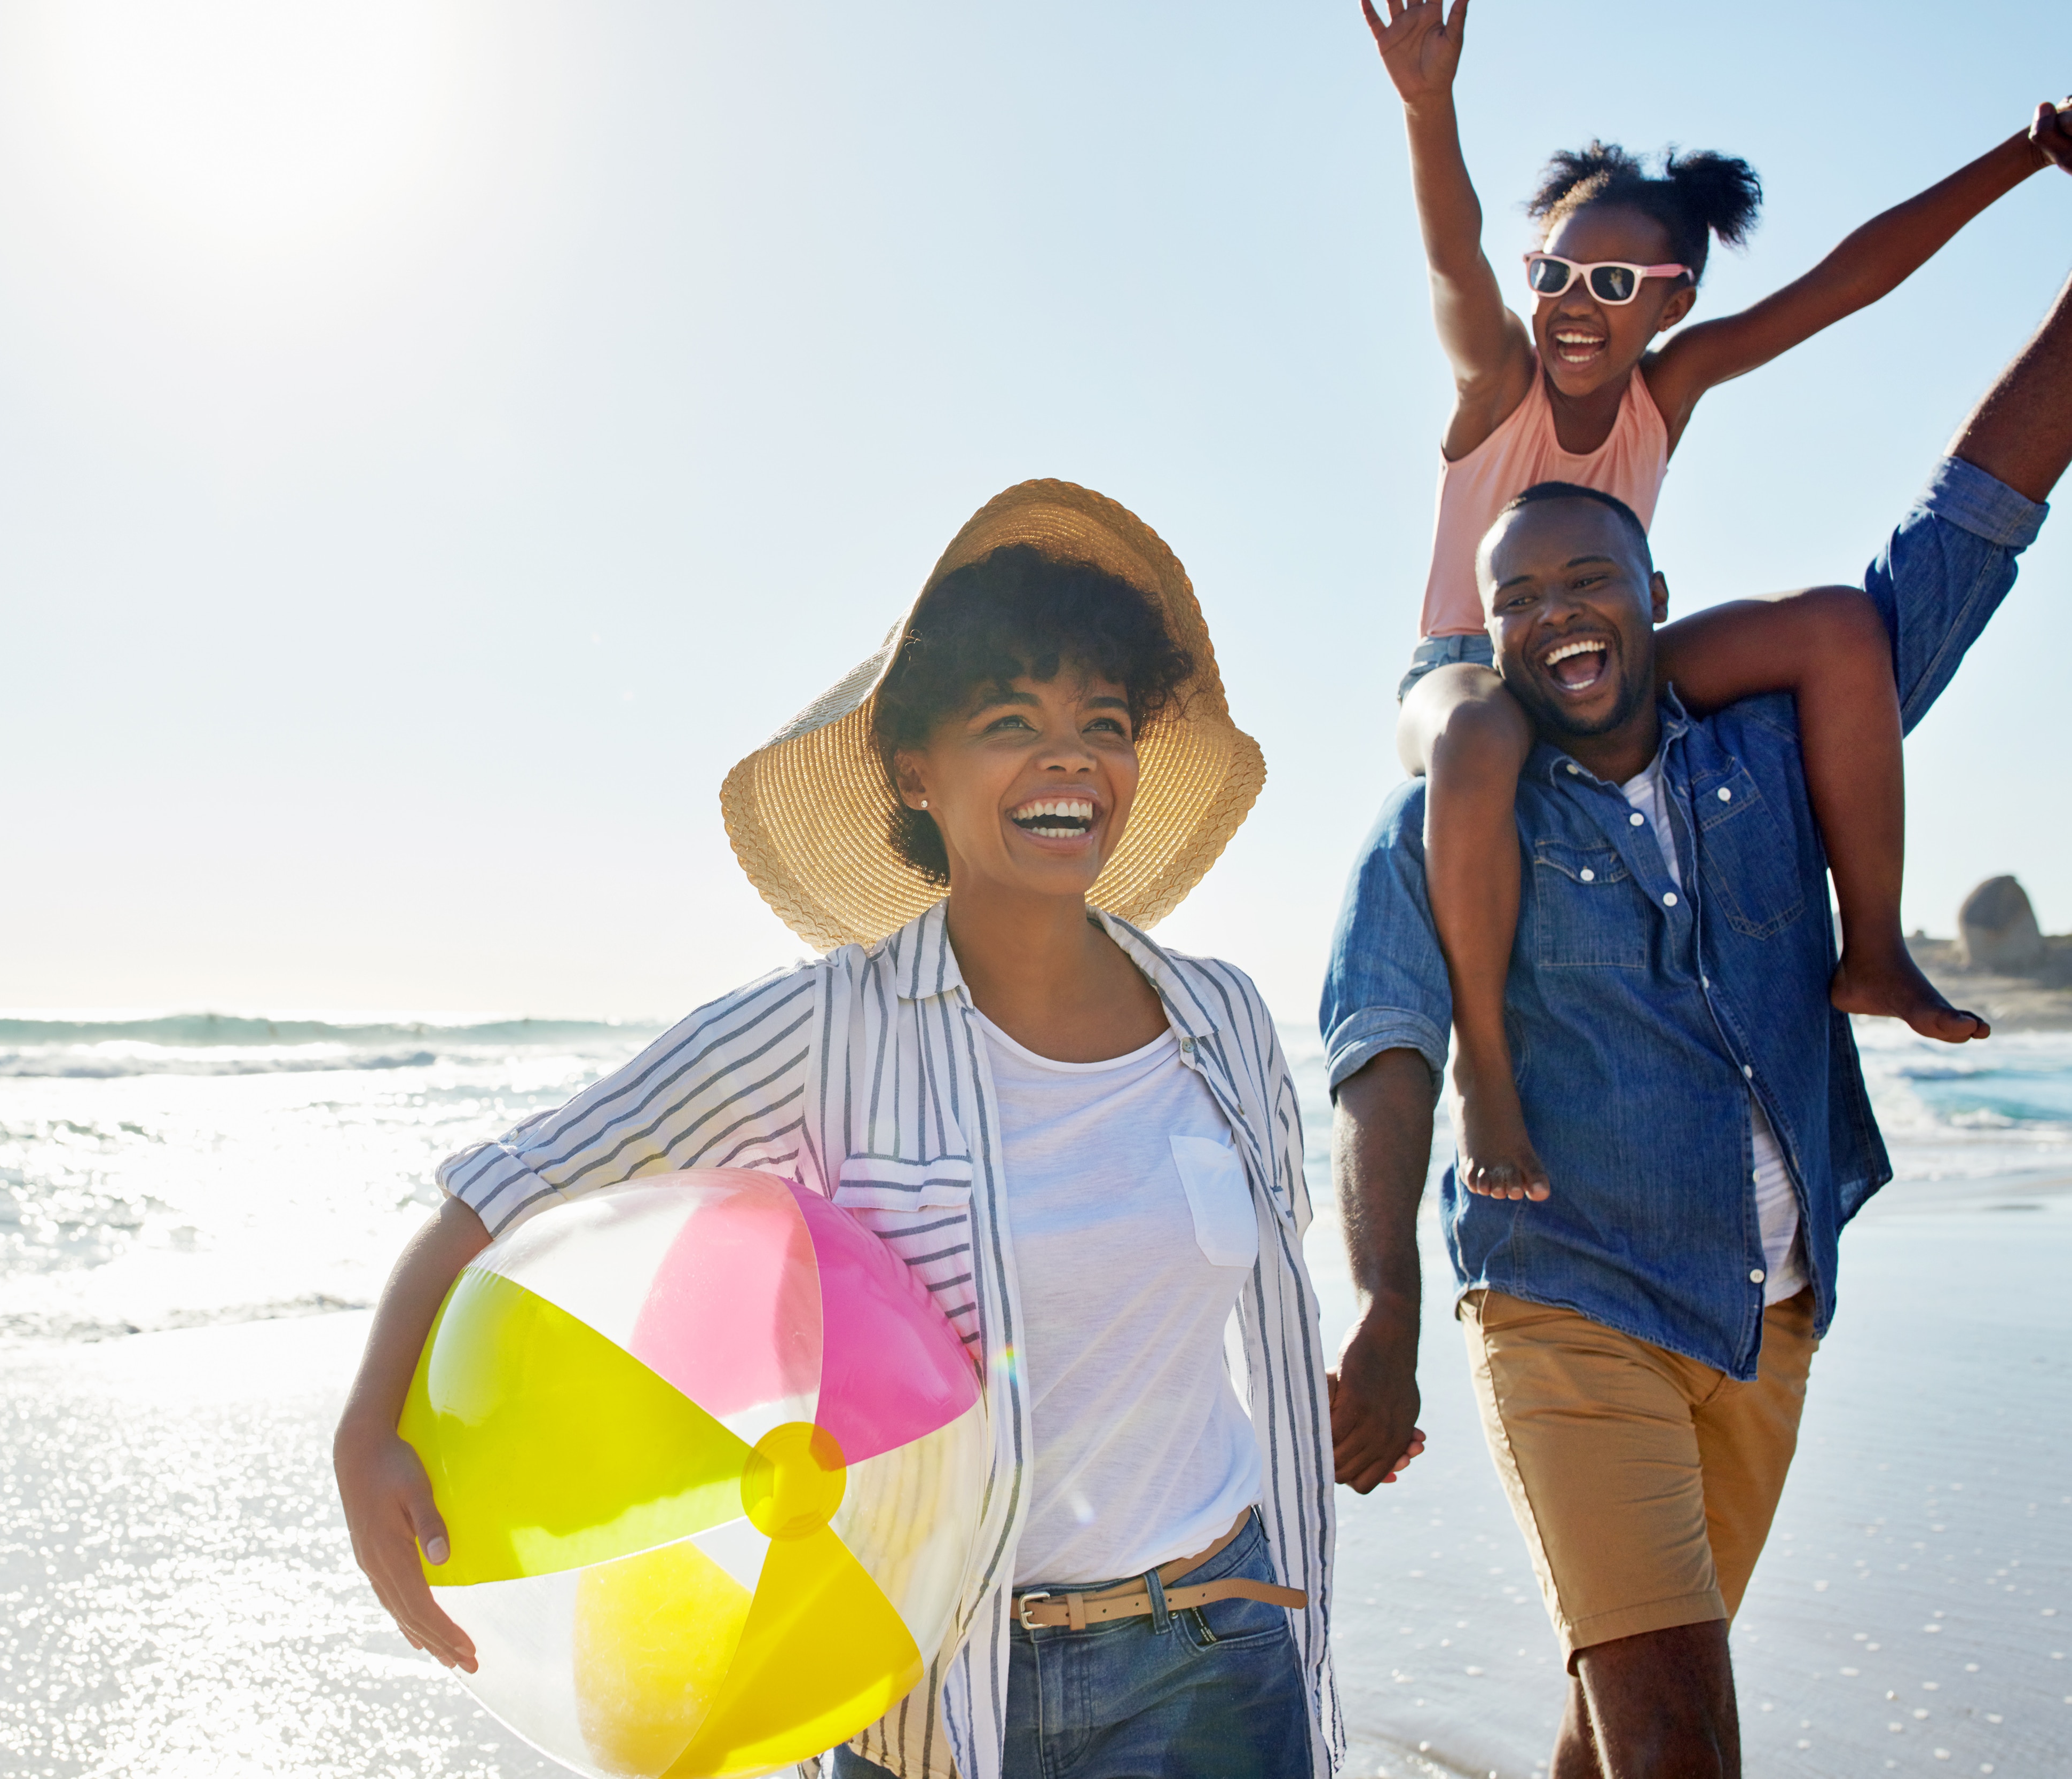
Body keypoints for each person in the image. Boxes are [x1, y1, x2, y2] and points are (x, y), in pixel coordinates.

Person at [338, 483, 1408, 1779]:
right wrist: (370, 1426)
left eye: (1102, 724)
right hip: (933, 1681)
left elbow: (1227, 1287)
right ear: (919, 768)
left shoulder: (1222, 1017)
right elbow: (516, 1179)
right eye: (1012, 722)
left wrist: (1346, 1380)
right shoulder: (825, 1030)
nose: (1068, 755)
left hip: (1213, 1655)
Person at [1318, 246, 2072, 1775]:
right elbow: (1384, 1055)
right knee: (1677, 1731)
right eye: (1516, 598)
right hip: (1566, 1303)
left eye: (1589, 577)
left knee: (1622, 1724)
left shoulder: (1787, 752)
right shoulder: (1442, 829)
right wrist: (1388, 1300)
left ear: (1655, 597)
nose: (1556, 614)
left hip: (1769, 1316)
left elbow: (1969, 527)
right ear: (1491, 641)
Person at [1362, 0, 2072, 1197]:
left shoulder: (1668, 387)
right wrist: (1429, 114)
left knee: (1838, 626)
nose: (1573, 302)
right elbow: (1450, 256)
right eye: (1554, 273)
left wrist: (2025, 155)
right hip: (1467, 666)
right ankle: (1485, 1067)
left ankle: (1876, 948)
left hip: (1611, 652)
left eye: (1611, 280)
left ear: (1671, 298)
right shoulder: (1499, 381)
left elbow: (1844, 285)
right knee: (1483, 726)